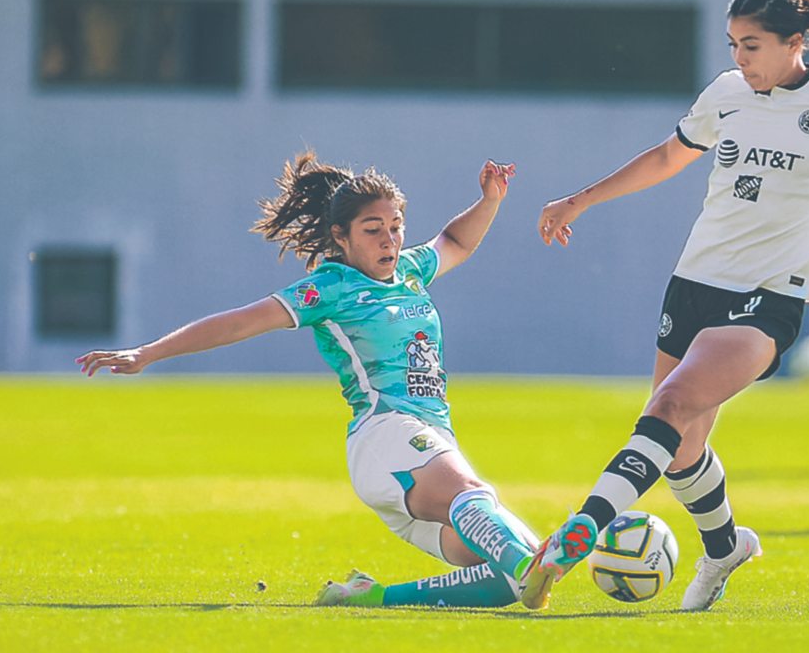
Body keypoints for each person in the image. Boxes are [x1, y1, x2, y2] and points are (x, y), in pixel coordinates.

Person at [522, 0, 809, 611]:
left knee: (669, 409)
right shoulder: (726, 94)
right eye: (732, 44)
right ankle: (725, 547)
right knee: (682, 448)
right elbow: (668, 157)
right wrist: (581, 200)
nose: (740, 58)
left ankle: (580, 530)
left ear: (796, 42)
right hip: (695, 280)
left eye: (751, 45)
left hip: (772, 294)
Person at [77, 152, 547, 609]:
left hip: (430, 438)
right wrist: (148, 352)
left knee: (510, 572)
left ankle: (372, 598)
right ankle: (537, 563)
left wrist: (490, 201)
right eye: (374, 230)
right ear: (340, 237)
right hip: (386, 436)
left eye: (396, 227)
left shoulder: (407, 272)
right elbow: (241, 321)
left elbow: (456, 243)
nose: (390, 240)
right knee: (487, 515)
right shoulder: (331, 287)